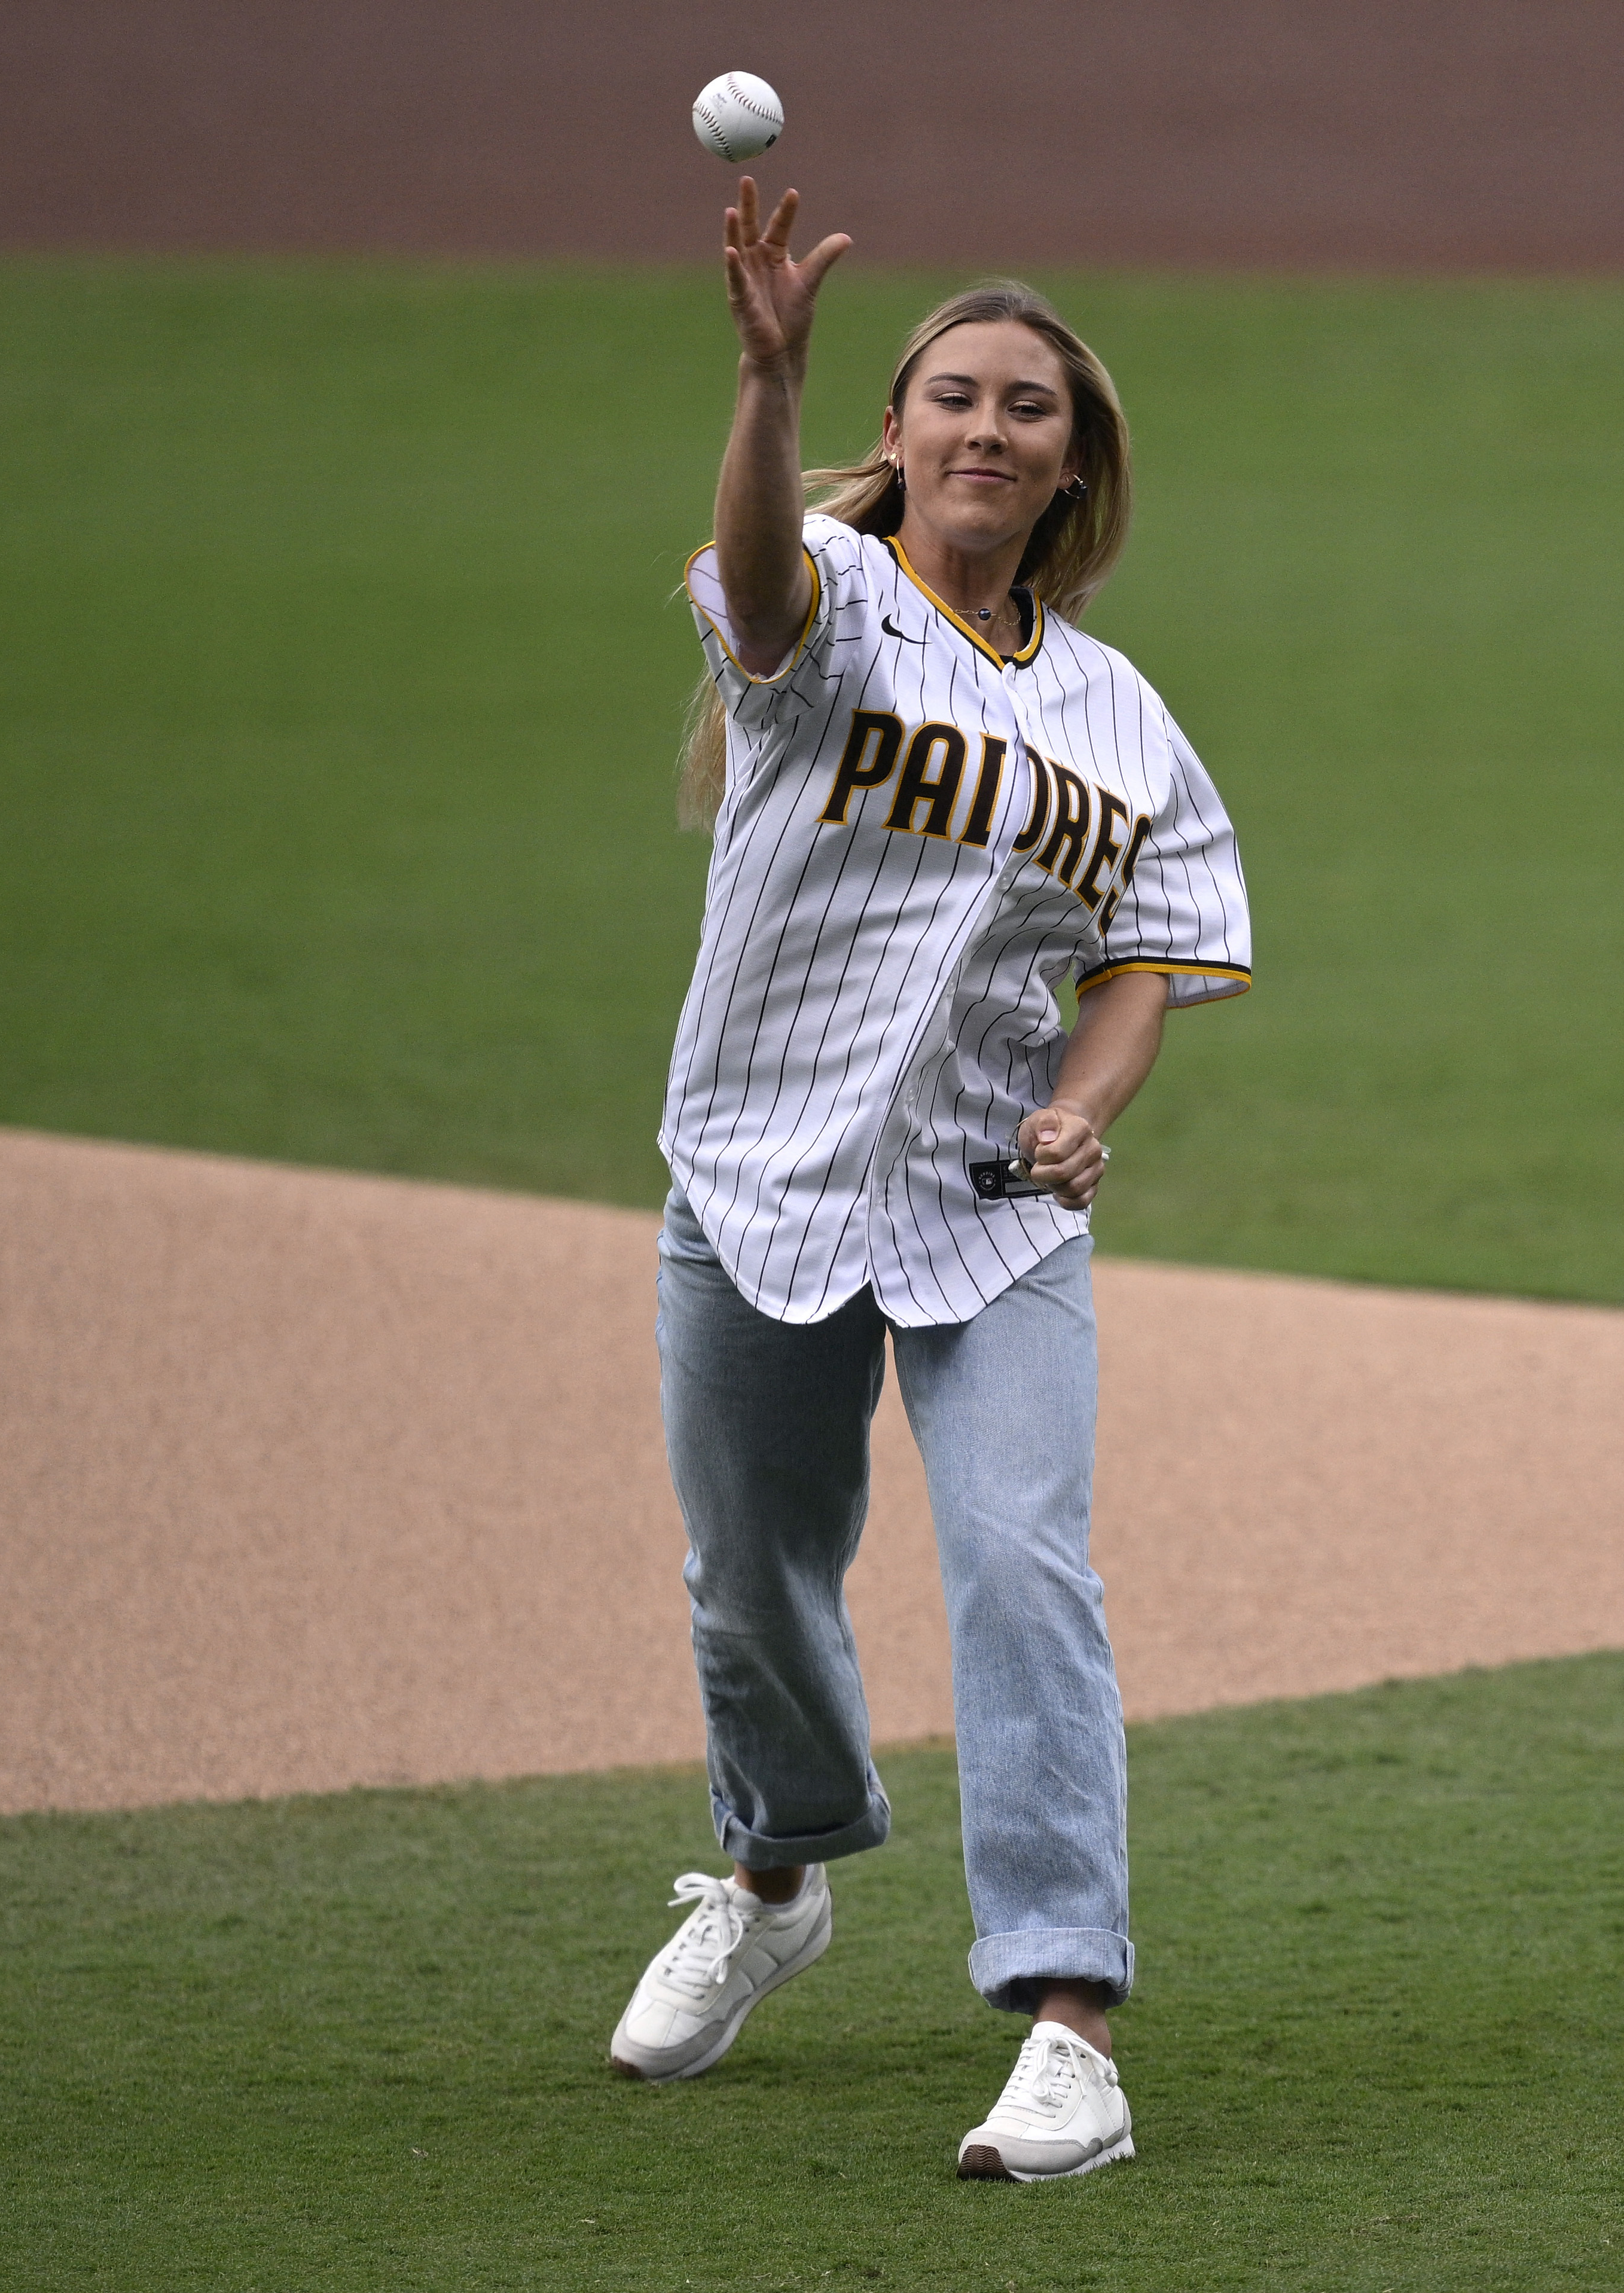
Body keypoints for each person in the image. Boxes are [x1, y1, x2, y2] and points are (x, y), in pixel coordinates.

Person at [604, 179, 1250, 2184]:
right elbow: (755, 580)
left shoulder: (1117, 709)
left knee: (1025, 1569)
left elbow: (1154, 941)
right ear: (904, 427)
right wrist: (765, 382)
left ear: (1075, 462)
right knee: (753, 1578)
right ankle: (777, 1876)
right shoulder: (827, 587)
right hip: (757, 1172)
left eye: (1030, 407)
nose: (990, 427)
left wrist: (1096, 1097)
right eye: (956, 395)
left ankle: (1070, 2022)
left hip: (992, 1203)